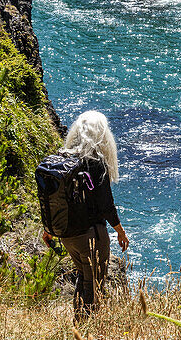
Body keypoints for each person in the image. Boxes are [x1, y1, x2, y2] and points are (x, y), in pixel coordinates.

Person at [42, 110, 129, 316]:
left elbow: (55, 198)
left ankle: (79, 328)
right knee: (95, 284)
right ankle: (86, 333)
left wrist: (48, 227)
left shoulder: (65, 160)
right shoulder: (96, 164)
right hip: (91, 234)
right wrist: (120, 231)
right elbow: (106, 204)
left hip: (67, 235)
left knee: (84, 277)